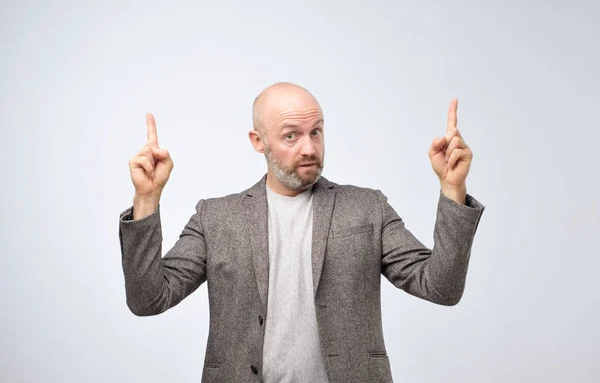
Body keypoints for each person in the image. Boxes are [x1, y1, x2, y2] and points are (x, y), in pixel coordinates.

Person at [118, 82, 485, 382]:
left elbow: (441, 287)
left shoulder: (367, 208)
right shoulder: (216, 218)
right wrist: (146, 198)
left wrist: (452, 189)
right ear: (258, 141)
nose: (309, 148)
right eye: (291, 136)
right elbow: (148, 299)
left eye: (316, 132)